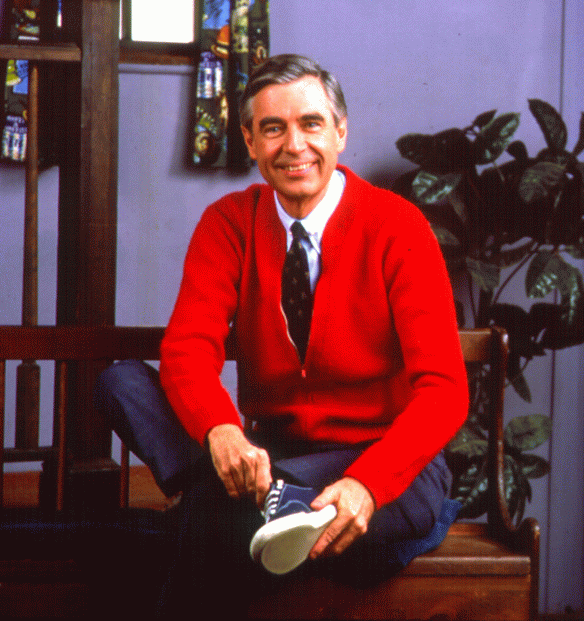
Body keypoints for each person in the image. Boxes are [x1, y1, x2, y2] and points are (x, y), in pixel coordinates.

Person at [95, 54, 468, 615]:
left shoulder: (398, 227)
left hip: (382, 461)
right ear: (250, 141)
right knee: (122, 383)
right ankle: (271, 508)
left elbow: (445, 391)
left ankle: (236, 509)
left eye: (311, 123)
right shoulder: (228, 223)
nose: (294, 145)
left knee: (214, 519)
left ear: (340, 132)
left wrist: (367, 485)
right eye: (273, 128)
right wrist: (221, 430)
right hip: (270, 456)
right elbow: (189, 349)